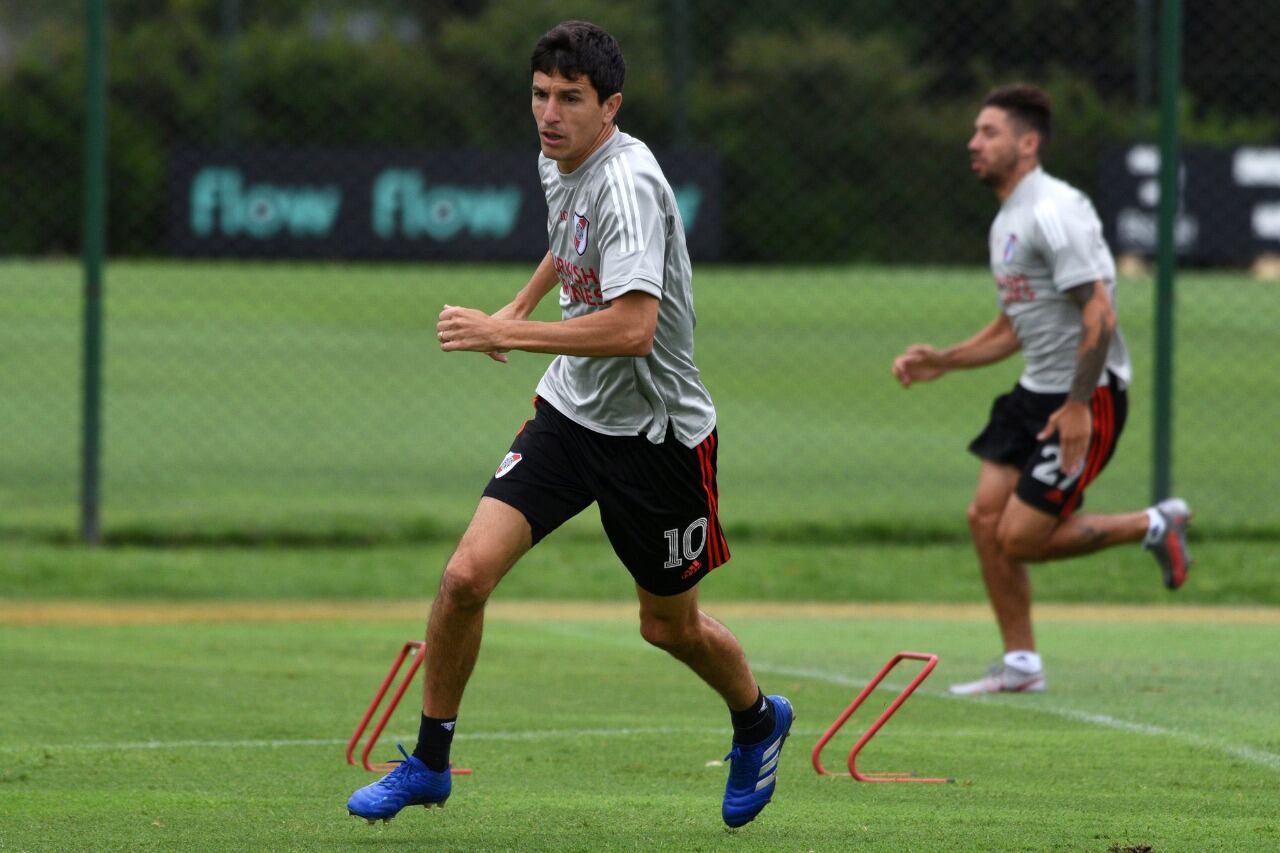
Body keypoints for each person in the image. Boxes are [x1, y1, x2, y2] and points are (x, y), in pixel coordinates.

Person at [346, 20, 791, 828]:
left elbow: (634, 329)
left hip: (658, 438)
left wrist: (505, 329)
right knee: (465, 577)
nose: (550, 114)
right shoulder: (559, 158)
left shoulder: (629, 183)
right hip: (571, 413)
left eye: (570, 99)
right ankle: (430, 763)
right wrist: (522, 299)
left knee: (669, 626)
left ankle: (759, 718)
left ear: (610, 106)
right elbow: (571, 241)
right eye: (540, 95)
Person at [891, 84, 1193, 696]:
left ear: (1028, 144)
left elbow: (1100, 313)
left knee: (1020, 538)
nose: (974, 143)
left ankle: (1152, 524)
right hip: (1034, 394)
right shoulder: (1007, 218)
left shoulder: (1053, 211)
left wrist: (1078, 406)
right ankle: (1022, 664)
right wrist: (946, 360)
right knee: (984, 519)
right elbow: (1014, 327)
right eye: (975, 132)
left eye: (989, 133)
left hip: (1087, 396)